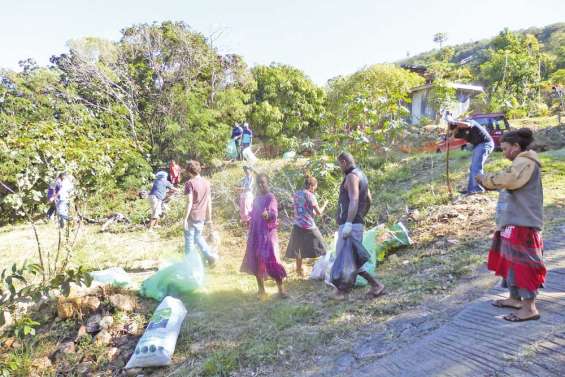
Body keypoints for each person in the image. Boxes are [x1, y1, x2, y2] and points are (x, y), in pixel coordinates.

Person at [476, 128, 545, 322]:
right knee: (510, 261)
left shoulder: (526, 162)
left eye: (506, 148)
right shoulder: (520, 162)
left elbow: (508, 179)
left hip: (523, 223)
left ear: (516, 146)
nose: (504, 152)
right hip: (512, 220)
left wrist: (485, 179)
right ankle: (515, 299)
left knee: (525, 264)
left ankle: (529, 308)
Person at [334, 152, 385, 300]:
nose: (340, 168)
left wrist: (350, 222)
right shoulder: (361, 175)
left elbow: (354, 199)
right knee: (350, 257)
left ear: (343, 162)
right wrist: (360, 216)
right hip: (355, 222)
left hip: (350, 224)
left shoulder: (351, 176)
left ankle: (344, 291)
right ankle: (344, 290)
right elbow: (369, 198)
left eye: (339, 165)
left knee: (345, 257)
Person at [240, 173, 288, 299]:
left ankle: (281, 289)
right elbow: (253, 214)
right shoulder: (256, 199)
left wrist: (268, 215)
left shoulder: (270, 197)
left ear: (268, 183)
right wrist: (248, 220)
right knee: (256, 260)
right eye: (259, 183)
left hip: (268, 235)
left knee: (272, 260)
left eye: (263, 182)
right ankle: (261, 290)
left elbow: (273, 213)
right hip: (256, 234)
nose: (261, 185)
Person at [285, 175, 327, 278]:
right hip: (309, 226)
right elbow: (318, 213)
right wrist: (325, 204)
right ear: (311, 186)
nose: (314, 190)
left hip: (297, 225)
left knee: (298, 250)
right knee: (323, 247)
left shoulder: (296, 194)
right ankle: (326, 269)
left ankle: (299, 271)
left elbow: (301, 208)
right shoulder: (310, 195)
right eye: (315, 187)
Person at [183, 160, 219, 266]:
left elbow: (189, 201)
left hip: (192, 216)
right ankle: (210, 257)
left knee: (189, 240)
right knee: (198, 237)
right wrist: (209, 218)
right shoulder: (206, 183)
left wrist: (185, 219)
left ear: (188, 171)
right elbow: (209, 202)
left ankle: (188, 265)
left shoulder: (189, 183)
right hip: (201, 216)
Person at [449, 118, 494, 195]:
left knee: (476, 167)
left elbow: (468, 125)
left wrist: (454, 122)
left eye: (455, 130)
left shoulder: (468, 122)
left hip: (485, 143)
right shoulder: (458, 132)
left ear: (458, 126)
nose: (455, 132)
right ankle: (471, 189)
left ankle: (477, 189)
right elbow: (451, 139)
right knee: (473, 167)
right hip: (477, 145)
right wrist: (452, 133)